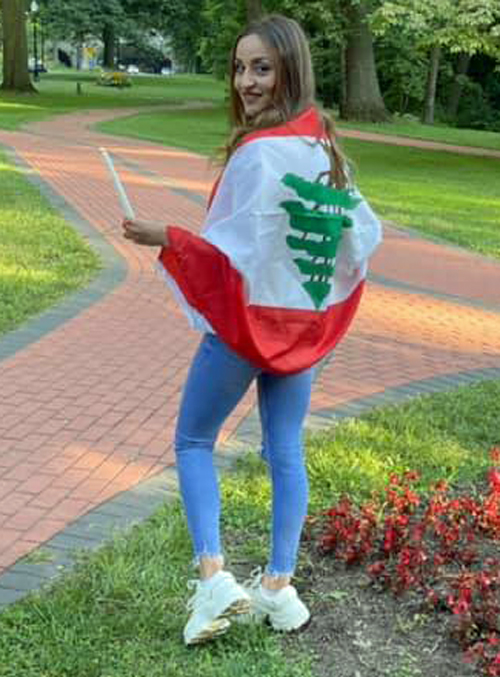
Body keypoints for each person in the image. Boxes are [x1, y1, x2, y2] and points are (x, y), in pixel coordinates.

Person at [122, 14, 382, 646]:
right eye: (240, 68)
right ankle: (279, 590)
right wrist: (318, 309)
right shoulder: (326, 148)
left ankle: (213, 579)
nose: (246, 81)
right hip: (301, 330)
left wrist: (168, 238)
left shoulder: (257, 153)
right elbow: (362, 237)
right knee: (285, 449)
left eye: (262, 67)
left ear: (291, 70)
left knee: (192, 441)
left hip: (245, 329)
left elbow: (226, 255)